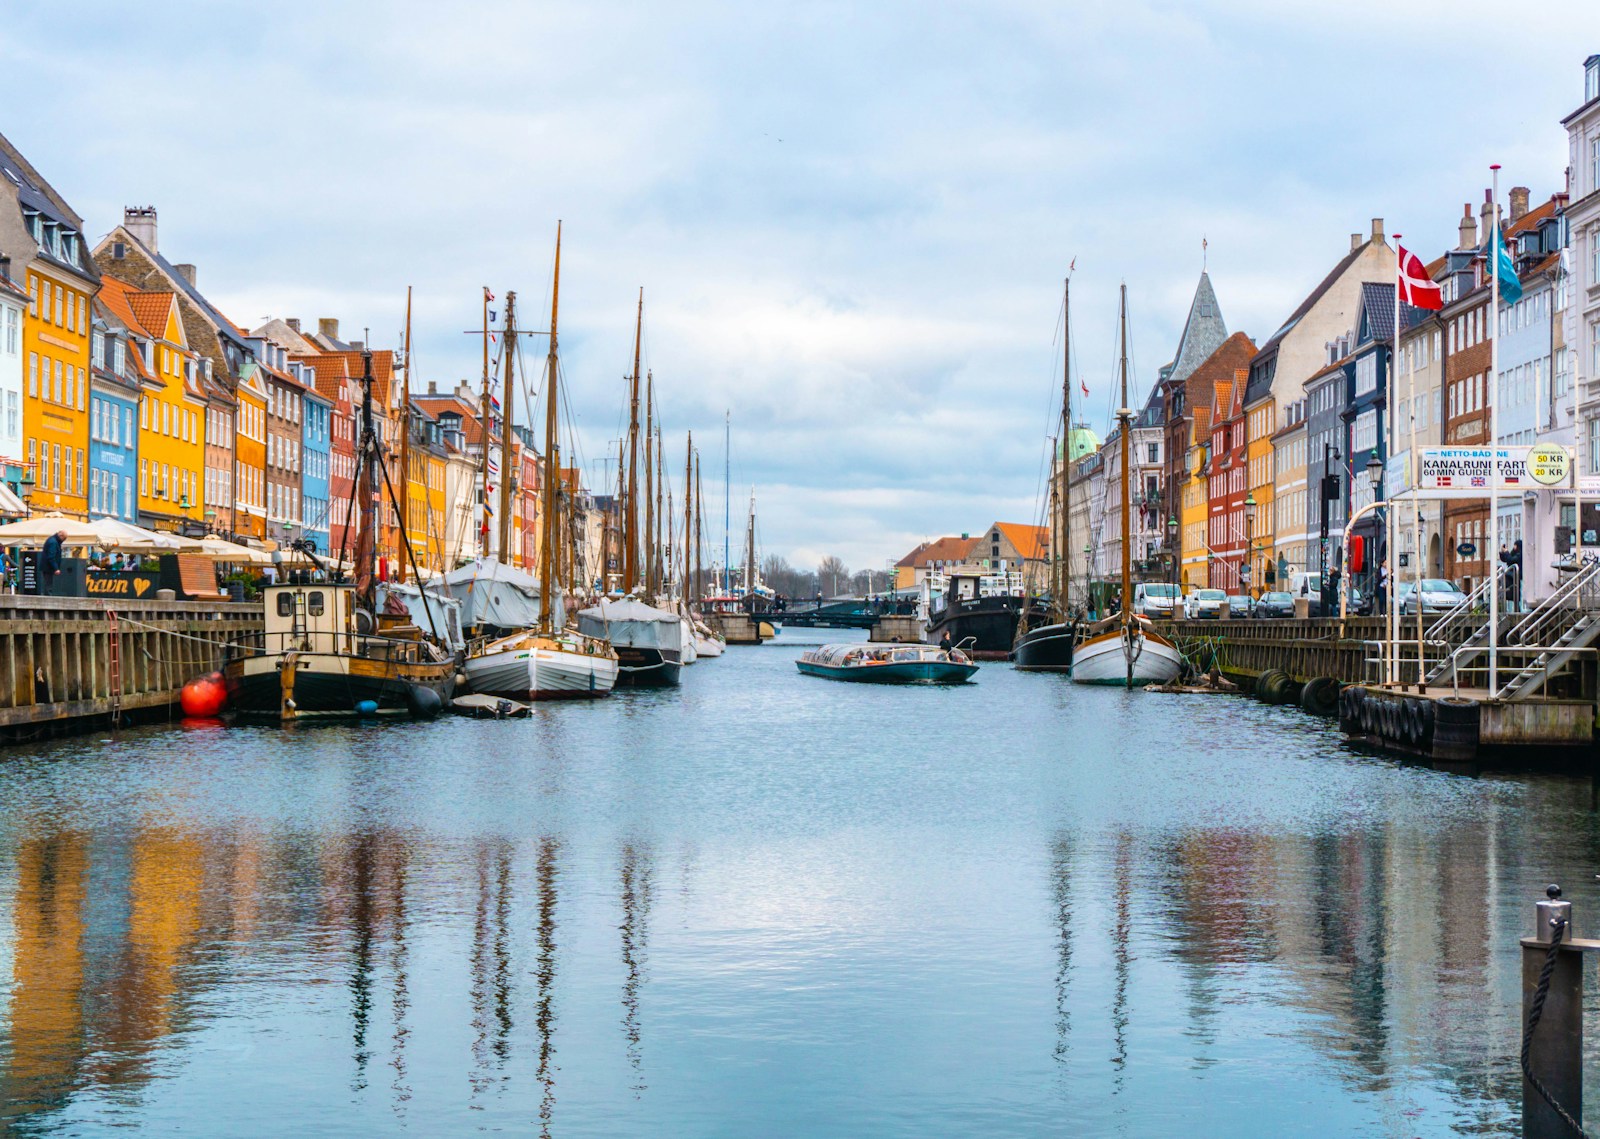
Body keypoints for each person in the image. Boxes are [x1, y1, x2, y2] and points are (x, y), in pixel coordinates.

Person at [40, 529, 66, 596]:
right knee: (48, 585)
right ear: (61, 536)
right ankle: (48, 599)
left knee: (48, 583)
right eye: (64, 538)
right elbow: (51, 556)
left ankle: (48, 596)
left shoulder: (52, 540)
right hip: (48, 567)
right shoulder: (54, 542)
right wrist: (56, 568)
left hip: (46, 566)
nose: (64, 540)